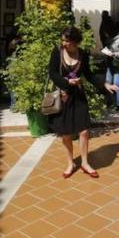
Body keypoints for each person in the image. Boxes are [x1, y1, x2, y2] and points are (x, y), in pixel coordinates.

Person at [48, 26, 99, 178]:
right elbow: (52, 73)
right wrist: (66, 83)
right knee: (66, 133)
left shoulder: (82, 54)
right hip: (63, 96)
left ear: (75, 41)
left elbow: (88, 74)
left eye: (67, 41)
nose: (64, 43)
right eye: (62, 40)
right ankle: (70, 163)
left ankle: (85, 162)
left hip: (78, 95)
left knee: (83, 131)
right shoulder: (57, 52)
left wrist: (104, 84)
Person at [101, 22, 119, 109]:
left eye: (107, 32)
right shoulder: (109, 39)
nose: (106, 34)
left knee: (117, 84)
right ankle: (109, 102)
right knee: (107, 82)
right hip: (109, 64)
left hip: (117, 64)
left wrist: (114, 54)